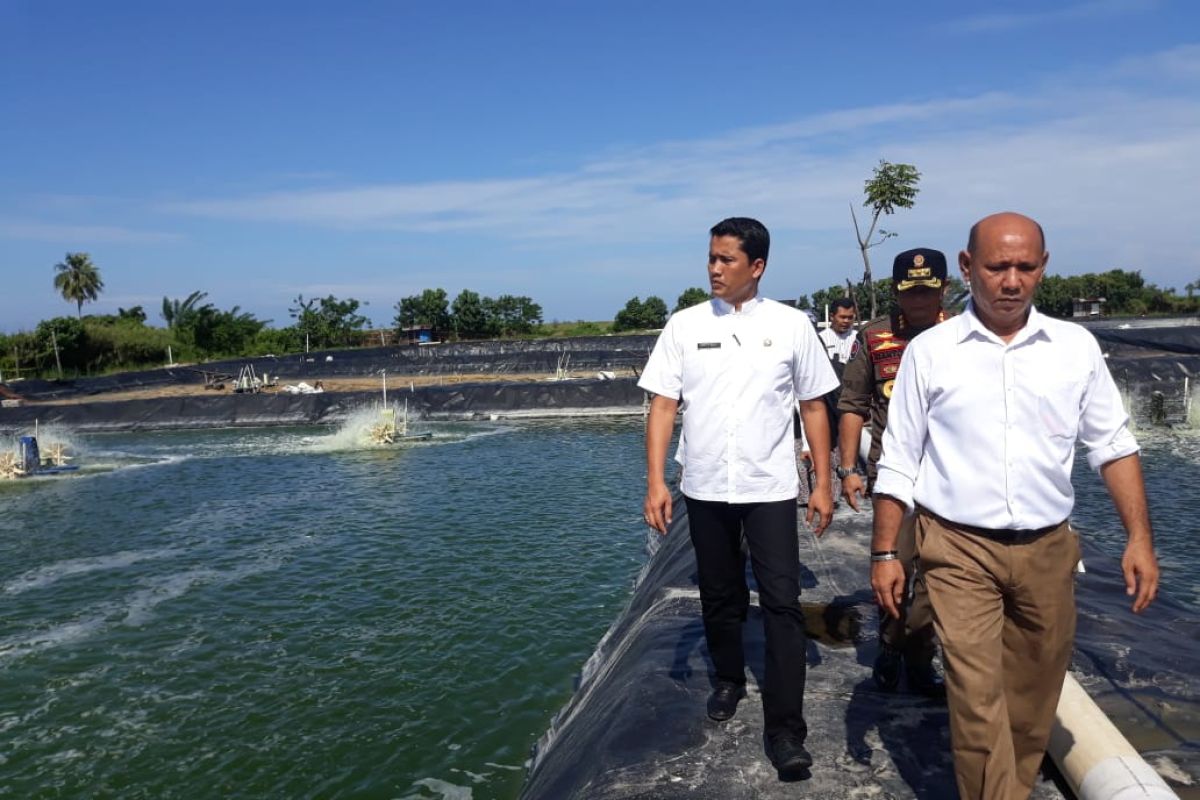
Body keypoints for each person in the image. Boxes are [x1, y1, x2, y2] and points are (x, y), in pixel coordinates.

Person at [870, 212, 1160, 800]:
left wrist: (1139, 538)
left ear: (1043, 269)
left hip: (1047, 549)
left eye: (1025, 267)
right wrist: (884, 551)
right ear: (968, 267)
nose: (1011, 281)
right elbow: (899, 457)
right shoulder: (932, 353)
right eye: (998, 266)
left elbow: (1113, 446)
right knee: (976, 700)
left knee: (1032, 698)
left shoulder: (1075, 348)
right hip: (957, 547)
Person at [640, 217, 839, 776]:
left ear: (757, 266)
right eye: (710, 257)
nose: (713, 268)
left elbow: (814, 406)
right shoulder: (684, 326)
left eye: (726, 260)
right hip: (704, 486)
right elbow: (662, 406)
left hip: (770, 487)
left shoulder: (791, 325)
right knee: (721, 595)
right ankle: (728, 679)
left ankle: (786, 731)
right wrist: (656, 480)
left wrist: (822, 481)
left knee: (781, 603)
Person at [837, 248, 950, 697]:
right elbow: (852, 405)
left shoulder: (966, 335)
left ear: (943, 289)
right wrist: (847, 468)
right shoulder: (875, 337)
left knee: (938, 576)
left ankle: (920, 657)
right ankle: (890, 645)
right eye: (909, 292)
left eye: (927, 290)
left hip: (950, 480)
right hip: (894, 478)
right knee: (895, 568)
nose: (918, 300)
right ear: (895, 292)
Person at [818, 297, 858, 366]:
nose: (846, 321)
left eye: (850, 317)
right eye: (842, 317)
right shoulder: (821, 338)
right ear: (832, 316)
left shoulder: (858, 338)